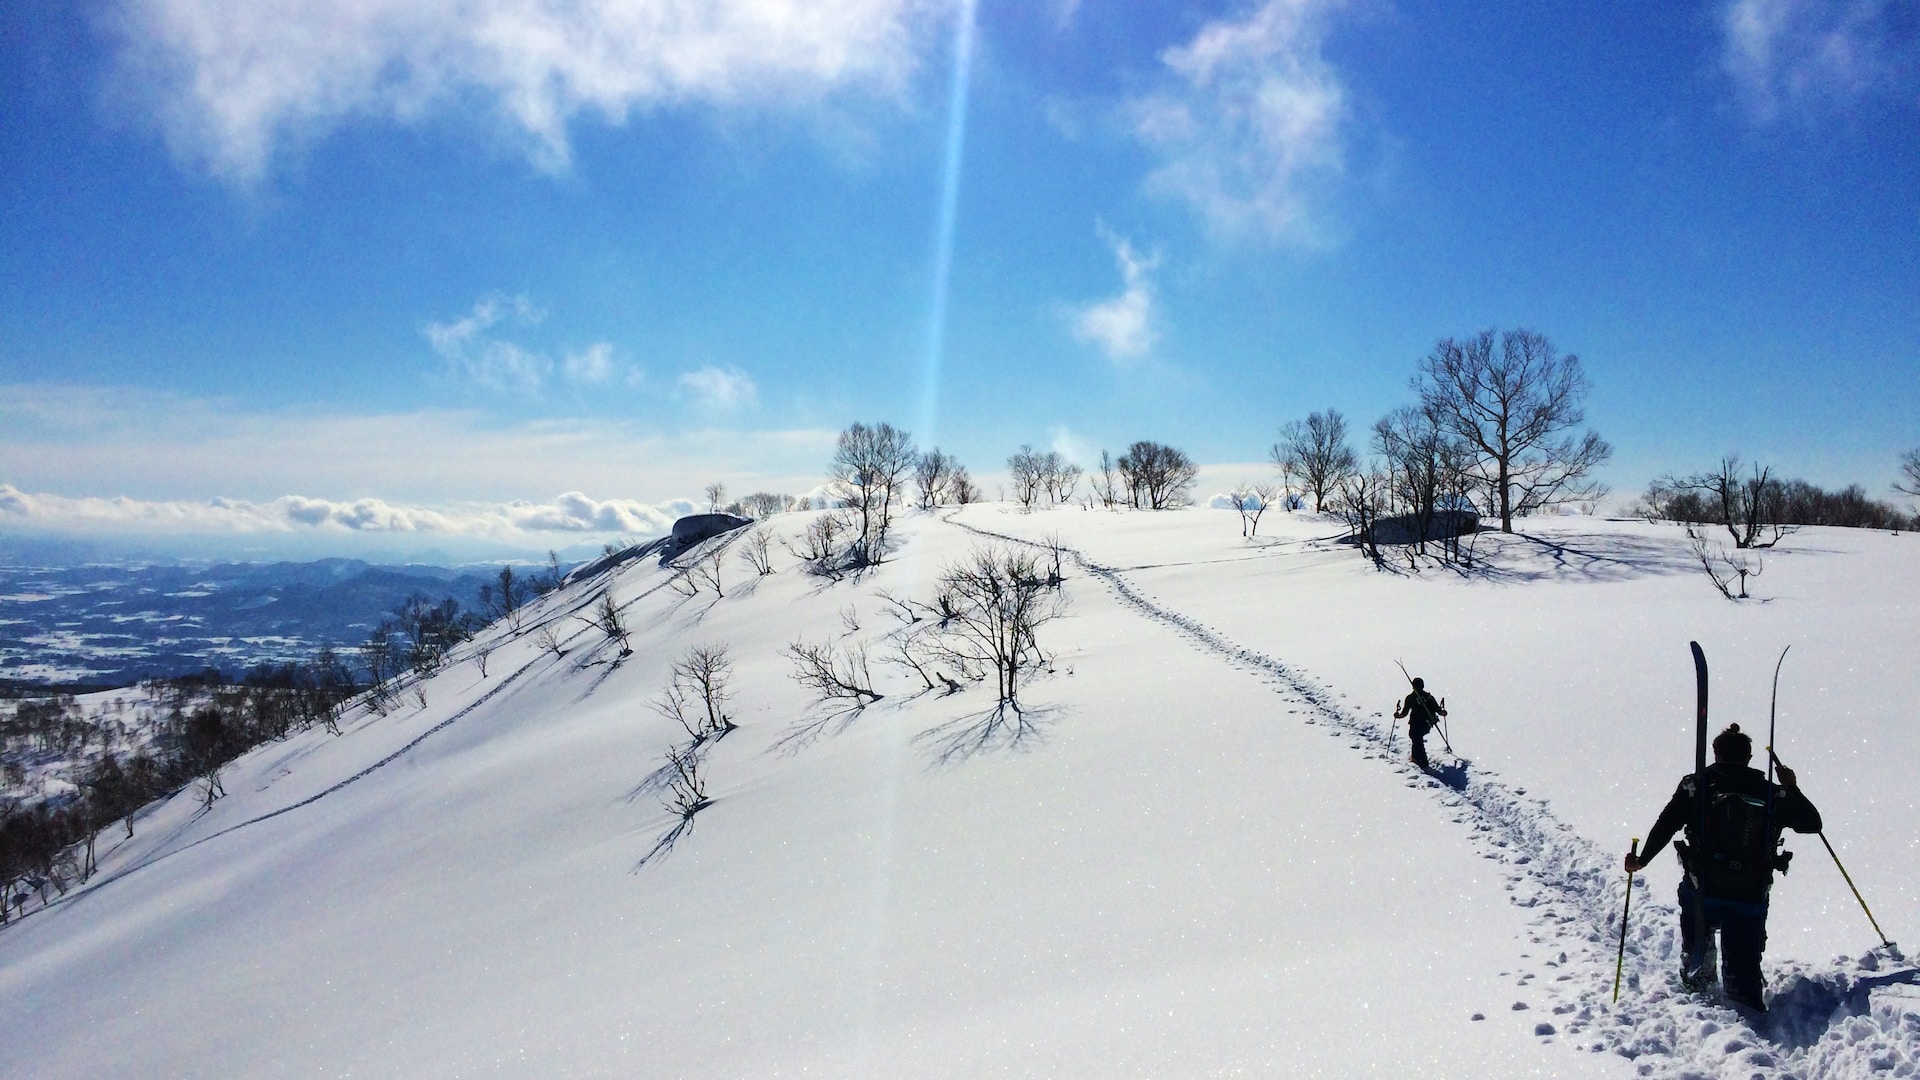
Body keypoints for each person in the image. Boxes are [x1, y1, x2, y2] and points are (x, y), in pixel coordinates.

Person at [1624, 723, 1821, 1012]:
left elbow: (1665, 826)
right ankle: (1745, 997)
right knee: (1743, 953)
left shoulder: (1695, 787)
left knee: (1696, 930)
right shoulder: (1770, 793)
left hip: (1703, 888)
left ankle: (1698, 982)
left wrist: (1641, 860)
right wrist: (1791, 788)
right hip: (1750, 892)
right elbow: (1812, 824)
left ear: (1715, 754)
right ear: (1749, 757)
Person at [1393, 677, 1446, 770]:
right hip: (1427, 724)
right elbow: (1438, 710)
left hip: (1416, 723)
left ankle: (1421, 761)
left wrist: (1397, 716)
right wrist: (1443, 713)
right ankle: (1417, 759)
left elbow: (1404, 713)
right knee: (1417, 739)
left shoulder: (1410, 697)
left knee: (1416, 738)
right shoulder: (1429, 697)